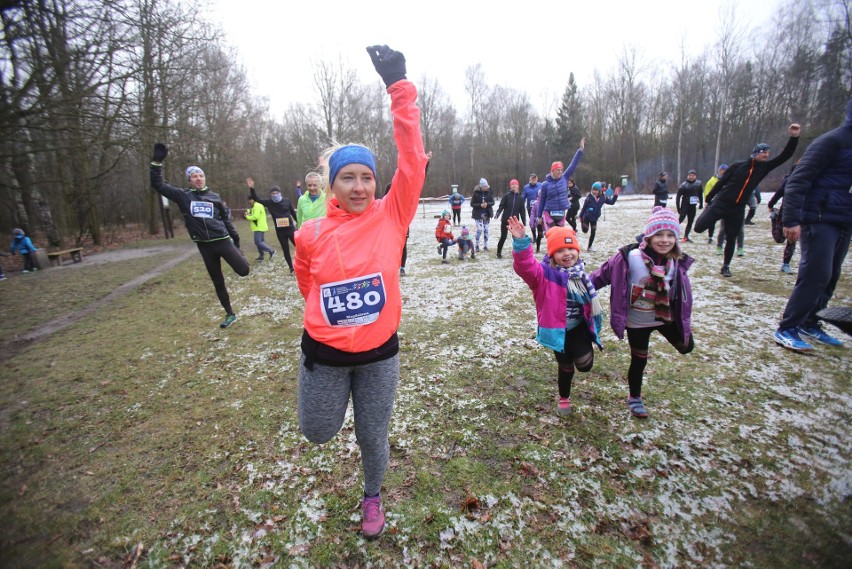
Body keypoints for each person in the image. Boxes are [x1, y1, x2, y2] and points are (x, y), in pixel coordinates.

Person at [293, 44, 427, 540]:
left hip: (379, 356)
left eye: (366, 177)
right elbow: (306, 282)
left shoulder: (392, 216)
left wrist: (398, 85)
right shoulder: (309, 233)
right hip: (325, 355)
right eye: (347, 177)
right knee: (318, 432)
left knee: (373, 435)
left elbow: (412, 160)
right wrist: (327, 322)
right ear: (330, 186)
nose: (358, 186)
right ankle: (321, 401)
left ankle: (372, 495)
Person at [590, 207, 694, 418]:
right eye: (659, 235)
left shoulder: (675, 262)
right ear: (648, 235)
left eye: (670, 235)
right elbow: (599, 276)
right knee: (639, 359)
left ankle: (680, 337)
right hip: (637, 322)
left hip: (664, 318)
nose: (664, 240)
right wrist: (576, 287)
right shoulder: (630, 257)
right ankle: (635, 397)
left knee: (686, 346)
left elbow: (678, 292)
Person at [773, 97, 852, 352]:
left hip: (843, 218)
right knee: (815, 275)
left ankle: (811, 322)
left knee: (831, 275)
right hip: (818, 217)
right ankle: (787, 327)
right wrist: (792, 219)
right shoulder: (832, 141)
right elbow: (797, 181)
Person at [508, 217, 603, 416]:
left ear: (578, 251)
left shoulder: (582, 275)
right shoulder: (543, 275)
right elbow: (525, 266)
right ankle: (564, 398)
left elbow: (606, 274)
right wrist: (521, 242)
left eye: (570, 249)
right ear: (552, 255)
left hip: (578, 327)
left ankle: (576, 359)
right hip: (556, 331)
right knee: (566, 367)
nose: (566, 254)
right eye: (560, 251)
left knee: (585, 365)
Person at [150, 146, 249, 328]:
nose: (198, 178)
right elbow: (159, 185)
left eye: (201, 175)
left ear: (204, 178)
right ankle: (229, 313)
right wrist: (156, 164)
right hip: (204, 246)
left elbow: (225, 220)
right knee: (217, 281)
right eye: (194, 176)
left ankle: (239, 257)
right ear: (189, 180)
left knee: (244, 270)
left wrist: (235, 241)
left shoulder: (214, 196)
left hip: (222, 240)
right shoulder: (183, 196)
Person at [694, 123, 800, 277]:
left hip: (737, 208)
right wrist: (709, 198)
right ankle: (710, 223)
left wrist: (794, 138)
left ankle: (726, 266)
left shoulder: (764, 168)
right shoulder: (738, 166)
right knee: (699, 228)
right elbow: (721, 182)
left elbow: (785, 156)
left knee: (731, 238)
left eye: (768, 153)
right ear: (755, 153)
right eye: (764, 152)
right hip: (721, 202)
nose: (766, 155)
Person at [536, 138, 586, 231]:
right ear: (552, 170)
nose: (559, 172)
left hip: (561, 213)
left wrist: (580, 150)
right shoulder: (545, 184)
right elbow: (542, 201)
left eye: (561, 170)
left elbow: (573, 164)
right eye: (557, 170)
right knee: (552, 234)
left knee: (560, 236)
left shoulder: (564, 178)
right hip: (549, 214)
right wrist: (539, 216)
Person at [248, 179, 297, 272]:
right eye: (273, 193)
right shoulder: (269, 203)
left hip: (290, 229)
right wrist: (252, 188)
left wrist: (298, 222)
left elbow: (293, 213)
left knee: (299, 247)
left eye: (276, 193)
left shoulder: (287, 201)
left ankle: (304, 263)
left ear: (280, 193)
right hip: (280, 232)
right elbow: (257, 198)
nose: (275, 195)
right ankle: (291, 267)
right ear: (271, 194)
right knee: (285, 250)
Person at [767, 165, 799, 273]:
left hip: (800, 215)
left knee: (792, 239)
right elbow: (778, 194)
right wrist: (771, 204)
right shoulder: (788, 181)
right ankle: (773, 219)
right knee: (779, 239)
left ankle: (786, 264)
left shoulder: (808, 182)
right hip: (785, 213)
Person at [578, 181, 620, 252]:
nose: (594, 191)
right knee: (585, 230)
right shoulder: (589, 198)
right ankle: (583, 224)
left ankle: (589, 247)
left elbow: (612, 202)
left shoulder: (603, 198)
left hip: (594, 218)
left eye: (596, 190)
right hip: (587, 217)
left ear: (599, 191)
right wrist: (580, 216)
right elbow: (584, 207)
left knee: (593, 232)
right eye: (593, 190)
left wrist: (615, 195)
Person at [494, 179, 527, 258]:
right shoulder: (506, 196)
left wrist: (524, 221)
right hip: (506, 220)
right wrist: (498, 213)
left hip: (515, 222)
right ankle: (498, 253)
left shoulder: (521, 198)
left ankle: (517, 253)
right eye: (512, 184)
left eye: (515, 184)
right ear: (510, 186)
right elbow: (501, 205)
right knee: (503, 237)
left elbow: (522, 211)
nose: (514, 185)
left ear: (518, 186)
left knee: (516, 238)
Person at [245, 195, 276, 261]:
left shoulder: (257, 206)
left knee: (258, 242)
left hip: (259, 227)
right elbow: (253, 214)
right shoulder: (255, 206)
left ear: (253, 199)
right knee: (260, 242)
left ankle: (271, 251)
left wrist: (247, 217)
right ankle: (261, 256)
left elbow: (256, 216)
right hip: (259, 226)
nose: (249, 202)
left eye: (250, 200)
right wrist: (248, 212)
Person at [702, 164, 728, 243]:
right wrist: (707, 202)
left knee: (725, 221)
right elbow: (707, 192)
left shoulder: (730, 180)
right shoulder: (712, 181)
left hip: (725, 203)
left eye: (725, 170)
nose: (723, 172)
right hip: (713, 203)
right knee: (712, 221)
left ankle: (725, 236)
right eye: (722, 170)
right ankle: (710, 237)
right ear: (719, 171)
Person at [676, 169, 703, 242]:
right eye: (690, 175)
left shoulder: (698, 184)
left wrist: (701, 203)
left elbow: (700, 194)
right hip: (685, 205)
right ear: (687, 176)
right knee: (679, 220)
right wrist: (678, 208)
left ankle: (686, 237)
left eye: (693, 175)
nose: (691, 177)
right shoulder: (683, 185)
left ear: (695, 176)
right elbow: (678, 197)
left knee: (690, 222)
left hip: (693, 206)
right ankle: (673, 234)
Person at [470, 178, 495, 252]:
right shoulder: (476, 193)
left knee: (486, 230)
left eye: (487, 186)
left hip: (487, 214)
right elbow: (472, 204)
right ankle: (476, 245)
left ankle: (485, 246)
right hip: (478, 215)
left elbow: (493, 202)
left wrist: (487, 204)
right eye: (485, 186)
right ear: (481, 187)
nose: (487, 187)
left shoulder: (490, 192)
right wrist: (480, 205)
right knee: (480, 230)